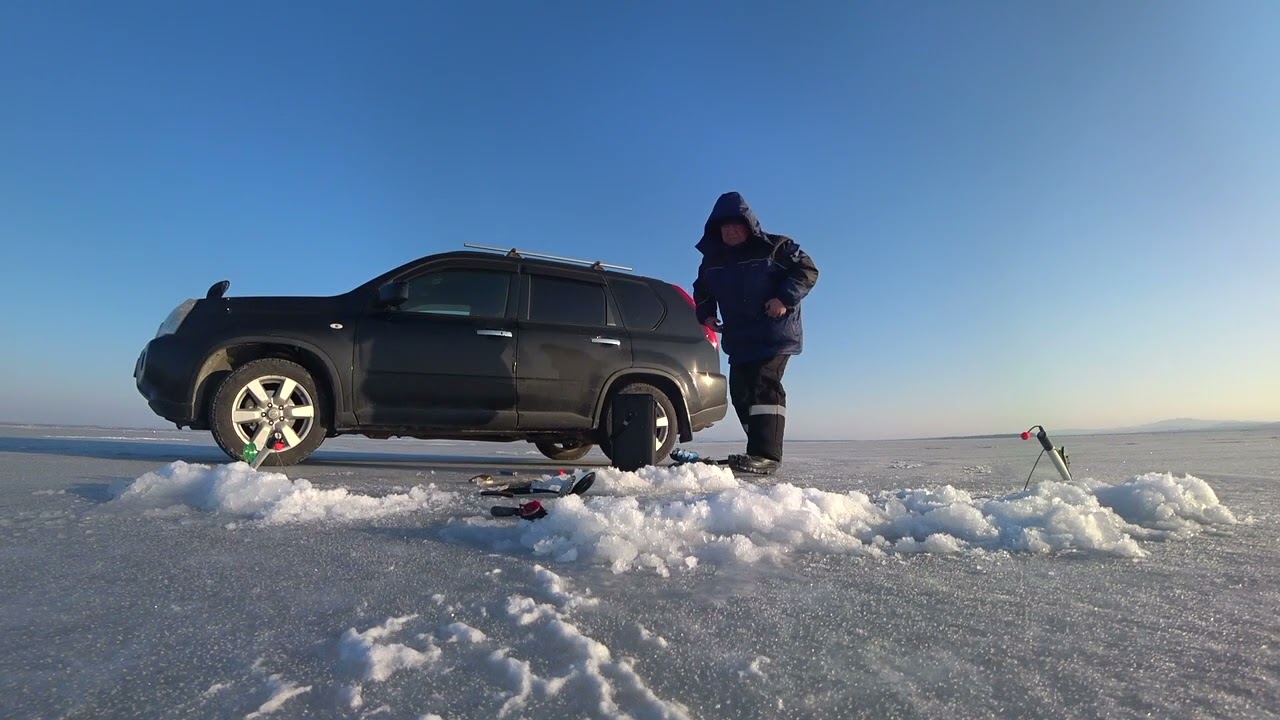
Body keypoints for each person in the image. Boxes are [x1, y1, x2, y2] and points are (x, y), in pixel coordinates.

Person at [692, 191, 819, 475]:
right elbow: (702, 291)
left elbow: (807, 269)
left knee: (763, 384)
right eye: (724, 227)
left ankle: (766, 455)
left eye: (736, 224)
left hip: (775, 332)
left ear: (749, 225)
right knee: (740, 391)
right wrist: (707, 314)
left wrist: (784, 299)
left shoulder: (775, 248)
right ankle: (758, 447)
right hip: (740, 338)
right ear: (716, 230)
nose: (731, 231)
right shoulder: (713, 261)